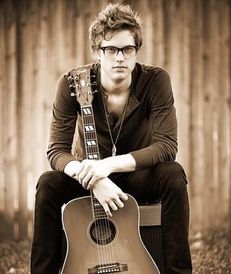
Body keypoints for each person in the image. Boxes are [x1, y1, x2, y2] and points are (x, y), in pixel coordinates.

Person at [30, 3, 192, 274]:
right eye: (111, 49)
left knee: (173, 174)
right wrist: (94, 179)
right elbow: (57, 151)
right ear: (97, 51)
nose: (120, 58)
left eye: (128, 49)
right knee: (47, 184)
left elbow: (167, 146)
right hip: (87, 176)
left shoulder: (155, 80)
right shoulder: (72, 83)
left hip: (136, 175)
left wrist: (108, 166)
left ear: (136, 50)